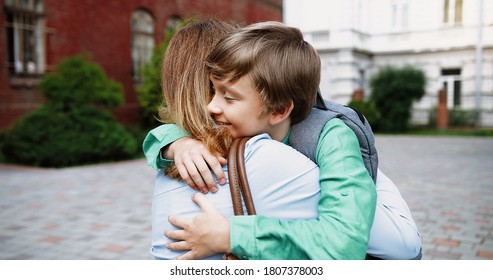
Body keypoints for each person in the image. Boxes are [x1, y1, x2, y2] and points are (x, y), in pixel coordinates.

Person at [146, 20, 380, 260]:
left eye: (228, 97)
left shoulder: (333, 139)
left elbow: (345, 246)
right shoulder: (244, 122)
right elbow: (165, 136)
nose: (210, 106)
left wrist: (232, 236)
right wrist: (176, 142)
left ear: (278, 111)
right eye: (212, 91)